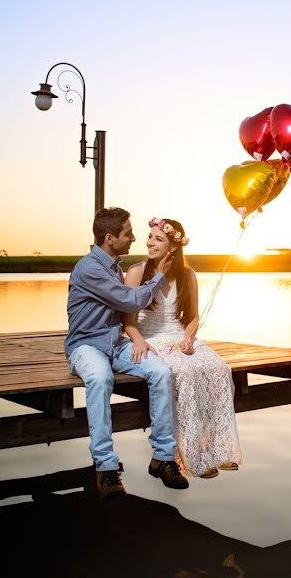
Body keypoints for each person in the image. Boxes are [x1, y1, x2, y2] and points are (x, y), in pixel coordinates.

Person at [65, 207, 189, 498]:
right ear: (110, 238)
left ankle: (163, 457)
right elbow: (131, 301)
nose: (135, 238)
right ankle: (106, 469)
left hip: (114, 343)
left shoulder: (113, 266)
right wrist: (158, 275)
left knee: (160, 371)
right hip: (86, 345)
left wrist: (135, 337)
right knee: (99, 378)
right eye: (128, 233)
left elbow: (123, 314)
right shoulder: (90, 268)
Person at [123, 217, 242, 479]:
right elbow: (127, 321)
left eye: (158, 239)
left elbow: (193, 317)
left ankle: (220, 449)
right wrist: (139, 341)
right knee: (184, 373)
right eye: (150, 237)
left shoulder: (187, 275)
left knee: (218, 368)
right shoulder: (136, 273)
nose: (150, 243)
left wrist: (188, 338)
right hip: (151, 339)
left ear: (173, 247)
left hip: (180, 336)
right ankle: (191, 456)